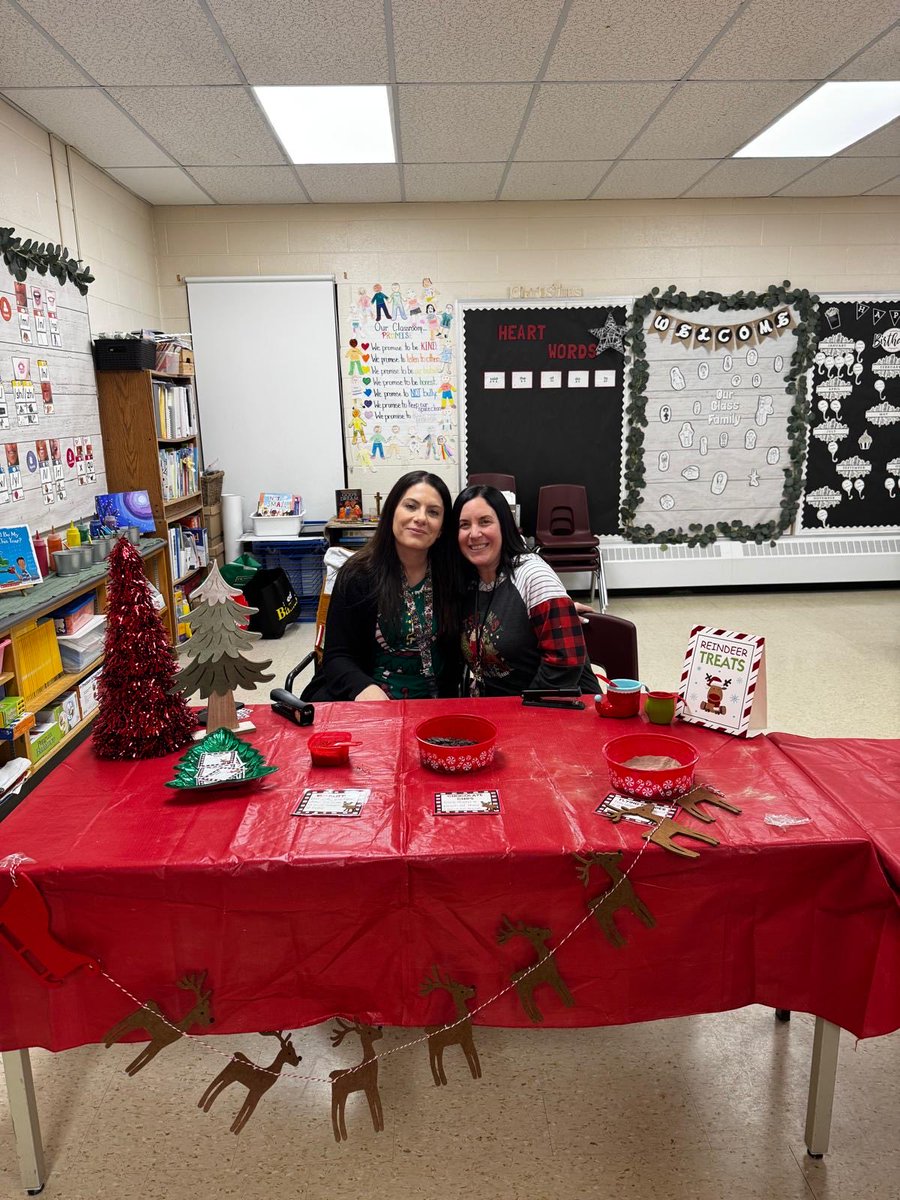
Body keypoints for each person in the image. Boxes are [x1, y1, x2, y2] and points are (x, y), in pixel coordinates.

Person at [302, 471, 461, 701]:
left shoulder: (452, 576)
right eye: (410, 506)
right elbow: (337, 657)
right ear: (392, 512)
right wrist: (364, 689)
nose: (421, 518)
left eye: (433, 512)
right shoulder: (358, 575)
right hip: (371, 708)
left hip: (436, 708)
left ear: (442, 528)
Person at [452, 484, 599, 697]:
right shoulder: (469, 580)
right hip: (500, 709)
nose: (474, 533)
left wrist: (523, 712)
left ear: (505, 525)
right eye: (464, 525)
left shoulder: (533, 574)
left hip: (553, 708)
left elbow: (564, 663)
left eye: (485, 522)